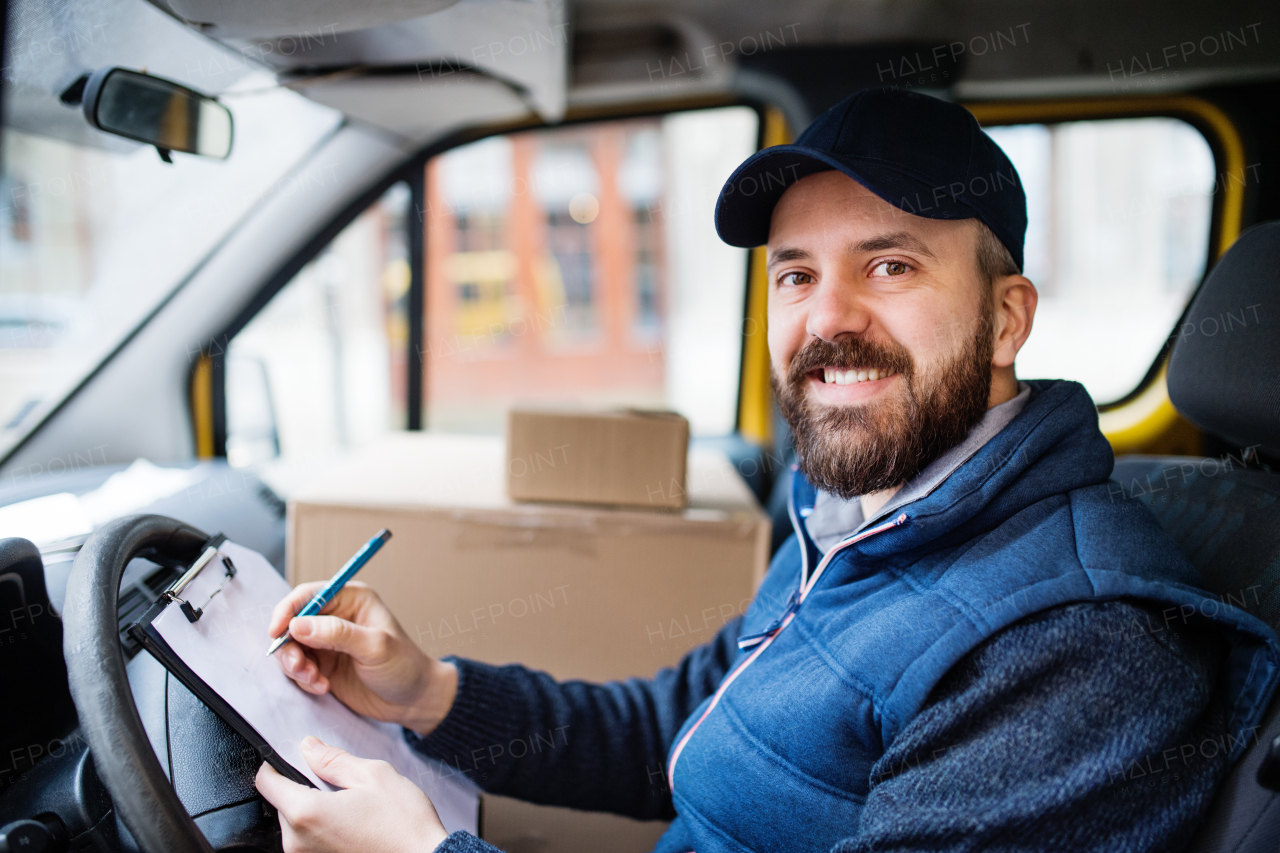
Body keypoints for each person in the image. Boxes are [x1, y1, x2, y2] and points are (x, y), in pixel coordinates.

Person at [253, 89, 1280, 853]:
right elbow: (687, 728)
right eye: (795, 274)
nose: (825, 319)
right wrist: (428, 694)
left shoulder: (1075, 643)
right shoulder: (862, 509)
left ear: (1005, 318)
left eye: (889, 266)